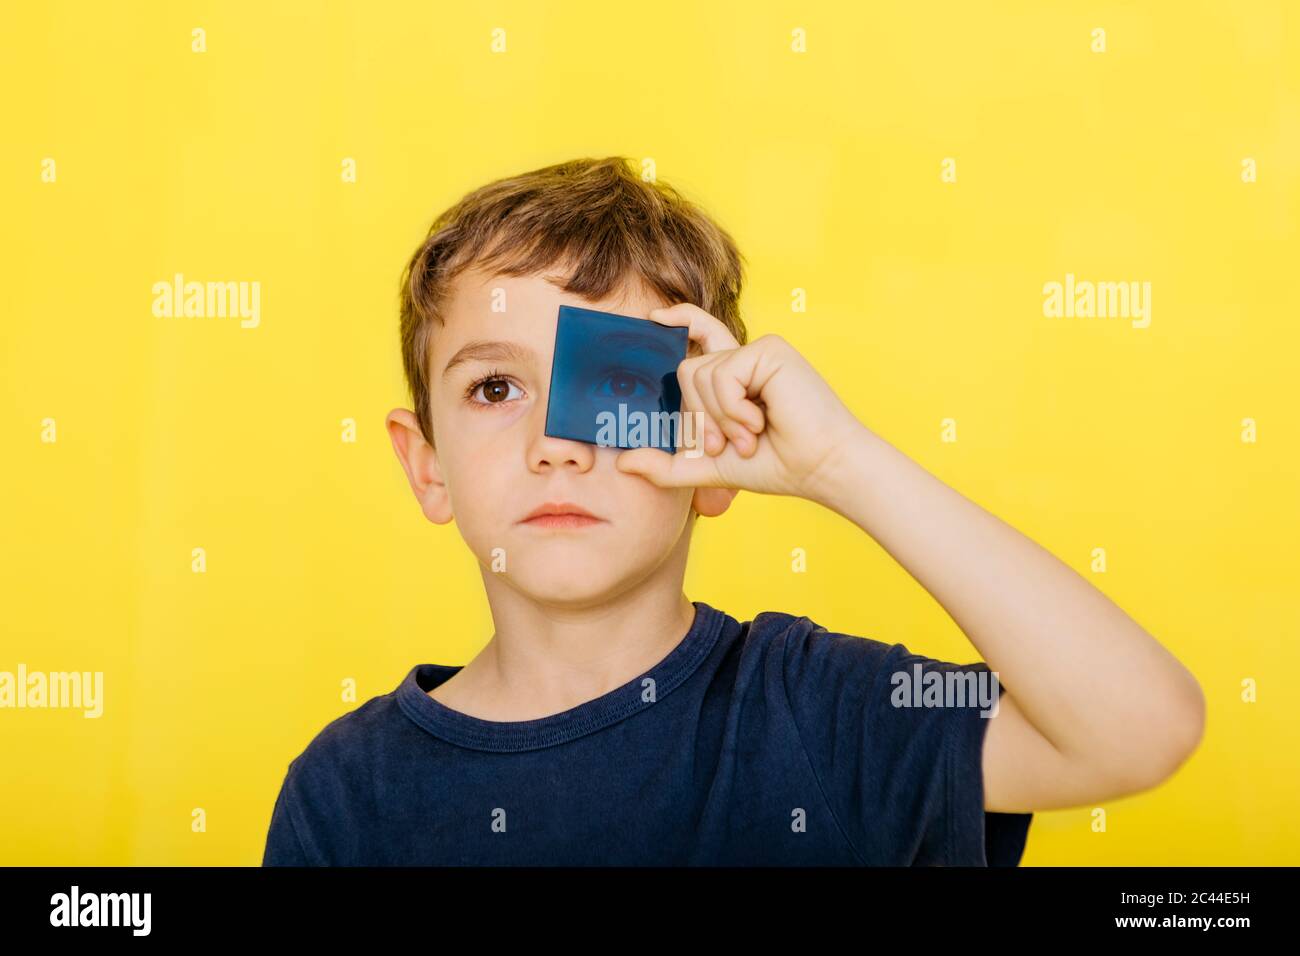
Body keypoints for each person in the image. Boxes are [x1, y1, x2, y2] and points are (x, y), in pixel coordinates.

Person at [262, 156, 1204, 866]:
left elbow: (1140, 726)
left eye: (614, 385)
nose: (556, 444)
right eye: (497, 388)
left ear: (714, 453)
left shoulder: (822, 709)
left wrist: (841, 462)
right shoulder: (347, 791)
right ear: (425, 466)